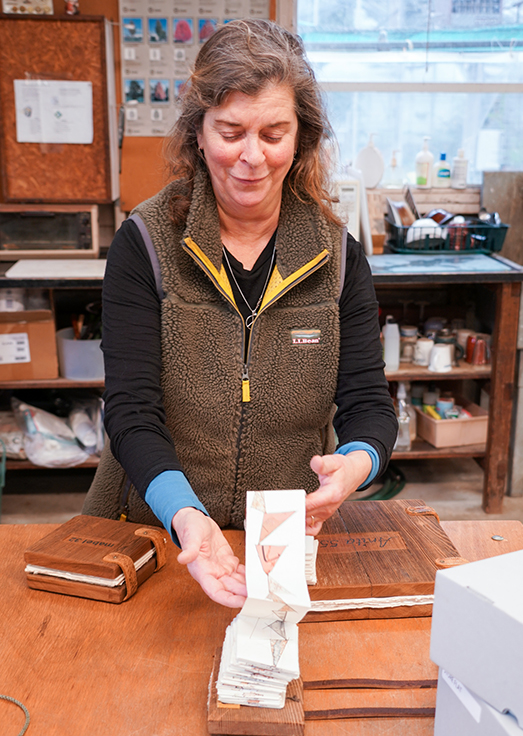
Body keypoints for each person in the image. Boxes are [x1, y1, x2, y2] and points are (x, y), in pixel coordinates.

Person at [82, 19, 398, 609]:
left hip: (282, 540)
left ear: (300, 139)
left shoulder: (336, 257)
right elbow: (129, 410)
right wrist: (188, 517)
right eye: (230, 131)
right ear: (198, 134)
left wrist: (355, 465)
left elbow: (369, 406)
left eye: (273, 133)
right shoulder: (146, 243)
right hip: (151, 531)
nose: (252, 157)